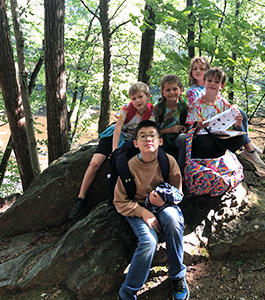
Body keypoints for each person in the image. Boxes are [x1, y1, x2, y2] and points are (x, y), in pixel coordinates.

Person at [114, 120, 189, 300]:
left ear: (160, 141)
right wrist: (143, 212)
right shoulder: (129, 167)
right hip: (137, 207)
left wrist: (163, 198)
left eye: (152, 135)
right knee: (148, 242)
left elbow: (178, 193)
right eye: (142, 136)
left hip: (163, 204)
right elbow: (119, 201)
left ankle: (177, 276)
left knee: (173, 220)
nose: (148, 139)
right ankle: (127, 293)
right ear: (136, 143)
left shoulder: (167, 161)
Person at [69, 82, 156, 218]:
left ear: (147, 96)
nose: (137, 101)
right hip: (113, 136)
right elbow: (117, 129)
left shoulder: (152, 113)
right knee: (95, 164)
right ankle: (80, 198)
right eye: (134, 98)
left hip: (130, 140)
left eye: (140, 97)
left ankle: (122, 197)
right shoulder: (127, 109)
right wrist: (115, 150)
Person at [186, 67, 265, 168]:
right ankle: (206, 165)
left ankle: (221, 159)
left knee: (241, 137)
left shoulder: (223, 103)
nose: (212, 84)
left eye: (216, 81)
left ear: (222, 85)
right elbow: (189, 130)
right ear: (204, 82)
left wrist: (237, 124)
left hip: (220, 137)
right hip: (203, 140)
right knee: (205, 142)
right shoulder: (196, 105)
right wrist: (198, 127)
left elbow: (232, 123)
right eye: (209, 80)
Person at [153, 74, 189, 173]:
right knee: (156, 144)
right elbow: (153, 131)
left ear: (181, 90)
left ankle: (181, 170)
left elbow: (189, 124)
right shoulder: (158, 108)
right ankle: (161, 171)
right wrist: (170, 130)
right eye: (168, 90)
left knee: (184, 138)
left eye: (175, 89)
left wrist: (185, 129)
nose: (172, 92)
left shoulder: (184, 106)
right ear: (162, 92)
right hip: (162, 137)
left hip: (177, 138)